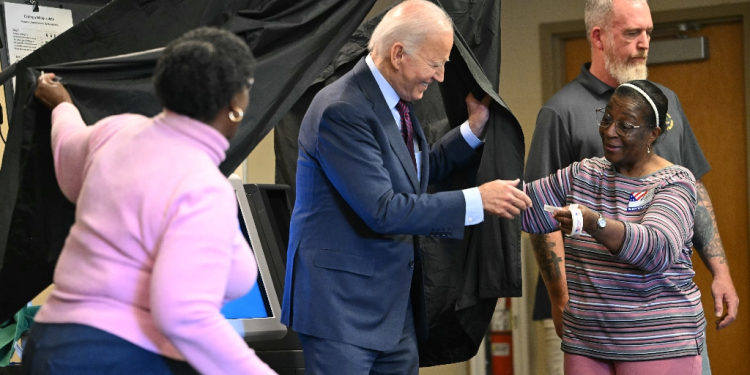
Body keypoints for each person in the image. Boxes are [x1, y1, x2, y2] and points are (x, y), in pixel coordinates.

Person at [279, 1, 532, 374]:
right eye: (435, 64)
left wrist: (472, 131)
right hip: (341, 312)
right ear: (398, 54)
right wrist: (475, 200)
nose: (442, 76)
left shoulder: (395, 98)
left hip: (394, 312)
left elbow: (413, 171)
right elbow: (383, 208)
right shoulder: (341, 109)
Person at [21, 27, 275, 375]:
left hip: (50, 342)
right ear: (236, 104)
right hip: (122, 358)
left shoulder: (116, 132)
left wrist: (63, 106)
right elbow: (184, 314)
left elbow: (67, 151)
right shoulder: (202, 185)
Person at [525, 1, 738, 374]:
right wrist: (561, 298)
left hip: (660, 322)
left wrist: (720, 271)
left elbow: (694, 196)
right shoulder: (562, 112)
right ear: (598, 36)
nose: (644, 43)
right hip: (589, 318)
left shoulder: (665, 104)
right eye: (631, 33)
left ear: (654, 132)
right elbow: (540, 213)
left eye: (648, 33)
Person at [523, 80, 705, 375]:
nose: (609, 131)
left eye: (625, 125)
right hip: (587, 342)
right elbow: (526, 209)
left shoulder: (675, 182)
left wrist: (595, 223)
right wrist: (474, 197)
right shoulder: (584, 173)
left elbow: (655, 250)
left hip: (655, 342)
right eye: (607, 118)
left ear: (652, 134)